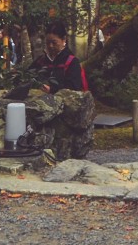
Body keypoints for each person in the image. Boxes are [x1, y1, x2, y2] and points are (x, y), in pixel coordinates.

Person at [11, 17, 95, 163]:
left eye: (54, 43)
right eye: (48, 42)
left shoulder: (71, 62)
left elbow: (75, 88)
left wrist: (53, 89)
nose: (50, 46)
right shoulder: (41, 61)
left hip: (65, 116)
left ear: (64, 40)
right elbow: (27, 78)